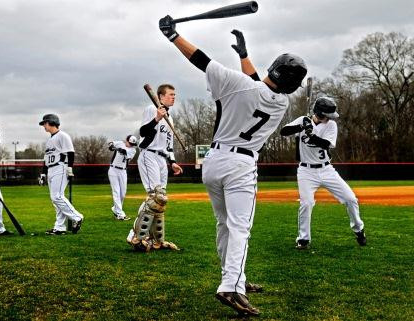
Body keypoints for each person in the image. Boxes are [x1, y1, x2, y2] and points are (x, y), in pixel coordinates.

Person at [158, 19, 307, 316]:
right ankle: (231, 284)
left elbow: (199, 58)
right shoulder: (282, 104)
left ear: (273, 68)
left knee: (225, 224)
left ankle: (236, 278)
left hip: (212, 162)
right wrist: (244, 56)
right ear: (291, 83)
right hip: (241, 164)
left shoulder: (234, 83)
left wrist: (173, 34)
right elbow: (257, 85)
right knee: (240, 227)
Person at [280, 97, 366, 249]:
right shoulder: (303, 120)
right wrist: (301, 126)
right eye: (328, 115)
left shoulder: (331, 125)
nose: (330, 118)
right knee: (306, 203)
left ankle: (359, 229)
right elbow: (283, 131)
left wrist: (312, 135)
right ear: (320, 113)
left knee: (351, 199)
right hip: (306, 171)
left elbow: (327, 144)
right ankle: (303, 239)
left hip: (326, 170)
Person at [126, 84, 183, 252]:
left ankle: (157, 241)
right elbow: (143, 132)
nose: (173, 97)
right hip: (149, 155)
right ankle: (135, 236)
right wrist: (157, 118)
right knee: (155, 197)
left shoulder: (170, 119)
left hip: (162, 160)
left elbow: (169, 146)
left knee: (161, 201)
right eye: (170, 94)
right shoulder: (152, 109)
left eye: (174, 95)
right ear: (160, 96)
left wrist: (173, 162)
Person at [38, 114, 84, 235]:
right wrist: (43, 174)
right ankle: (59, 227)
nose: (44, 126)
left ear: (51, 122)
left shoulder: (63, 136)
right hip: (51, 169)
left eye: (45, 123)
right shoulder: (49, 140)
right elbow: (46, 159)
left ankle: (77, 217)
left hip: (60, 167)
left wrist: (70, 169)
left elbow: (70, 153)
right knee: (56, 200)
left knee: (57, 196)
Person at [108, 135, 138, 220]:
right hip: (113, 170)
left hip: (123, 171)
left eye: (133, 144)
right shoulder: (120, 143)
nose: (131, 145)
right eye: (130, 143)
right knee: (116, 191)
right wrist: (111, 146)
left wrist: (121, 150)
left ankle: (115, 209)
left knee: (123, 193)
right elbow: (111, 143)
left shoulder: (133, 150)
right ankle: (120, 214)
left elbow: (125, 153)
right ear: (126, 141)